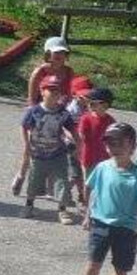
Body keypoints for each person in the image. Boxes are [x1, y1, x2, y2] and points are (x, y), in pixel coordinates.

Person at [83, 122, 137, 275]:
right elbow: (91, 189)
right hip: (100, 224)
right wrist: (88, 214)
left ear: (133, 146)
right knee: (93, 264)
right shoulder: (102, 167)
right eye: (110, 143)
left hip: (126, 228)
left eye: (121, 143)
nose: (115, 147)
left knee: (121, 269)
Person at [13, 36, 77, 195]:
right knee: (30, 147)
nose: (59, 56)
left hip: (58, 112)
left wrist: (62, 111)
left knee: (57, 147)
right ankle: (21, 175)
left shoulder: (68, 72)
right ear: (48, 54)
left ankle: (50, 184)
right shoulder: (40, 72)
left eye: (62, 53)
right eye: (56, 53)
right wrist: (38, 116)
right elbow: (32, 99)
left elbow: (68, 94)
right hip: (39, 113)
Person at [21, 75, 80, 224]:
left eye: (57, 90)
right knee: (34, 180)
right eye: (50, 90)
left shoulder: (63, 112)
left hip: (58, 153)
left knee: (62, 182)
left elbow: (72, 128)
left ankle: (62, 210)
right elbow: (24, 126)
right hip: (38, 153)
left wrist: (77, 143)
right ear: (42, 91)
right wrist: (27, 144)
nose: (54, 93)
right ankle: (29, 205)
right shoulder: (34, 111)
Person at [78, 87, 117, 202]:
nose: (90, 105)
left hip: (105, 157)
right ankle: (86, 203)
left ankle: (98, 203)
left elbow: (113, 137)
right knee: (88, 182)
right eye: (90, 103)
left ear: (105, 105)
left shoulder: (110, 120)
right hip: (88, 156)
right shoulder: (86, 118)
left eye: (93, 103)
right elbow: (81, 134)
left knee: (103, 182)